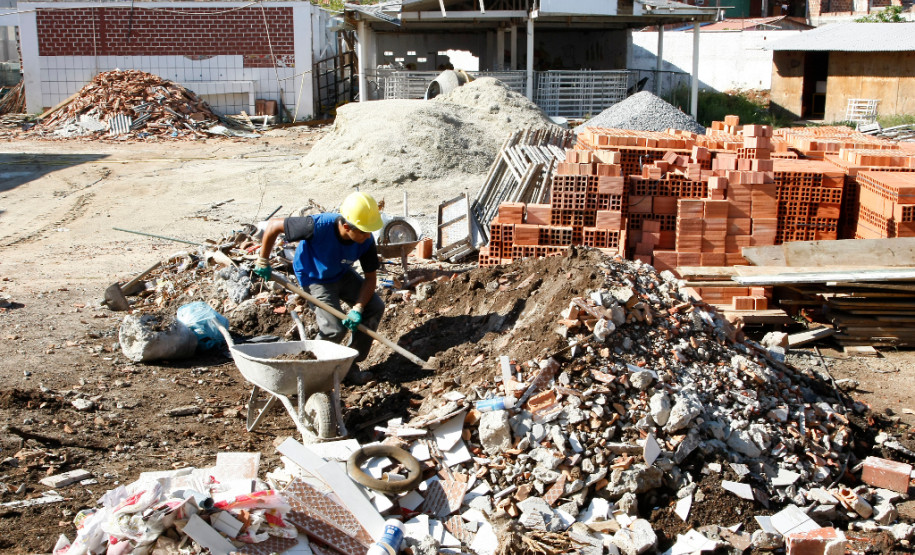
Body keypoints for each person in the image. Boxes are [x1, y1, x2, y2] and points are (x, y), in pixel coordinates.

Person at [253, 192, 385, 385]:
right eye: (364, 232)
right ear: (347, 226)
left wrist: (358, 308)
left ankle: (349, 365)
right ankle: (312, 369)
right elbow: (273, 225)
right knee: (334, 328)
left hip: (340, 272)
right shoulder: (317, 226)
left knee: (374, 307)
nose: (367, 237)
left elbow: (371, 278)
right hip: (314, 277)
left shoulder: (366, 240)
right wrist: (263, 260)